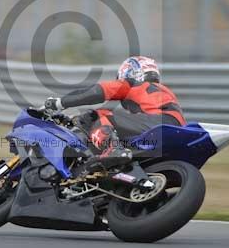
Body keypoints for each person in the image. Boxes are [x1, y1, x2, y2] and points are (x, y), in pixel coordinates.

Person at [44, 56, 186, 167]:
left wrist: (60, 102)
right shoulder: (161, 91)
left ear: (130, 72)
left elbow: (95, 92)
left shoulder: (132, 84)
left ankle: (113, 149)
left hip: (158, 122)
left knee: (98, 115)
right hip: (176, 129)